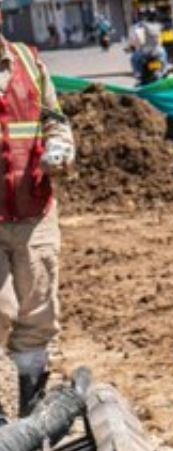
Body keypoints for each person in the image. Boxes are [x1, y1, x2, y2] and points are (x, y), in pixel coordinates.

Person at [0, 9, 74, 417]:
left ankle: (31, 408)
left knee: (38, 311)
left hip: (34, 211)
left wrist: (61, 144)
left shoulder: (29, 61)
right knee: (0, 309)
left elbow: (53, 119)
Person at [127, 11, 167, 81]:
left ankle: (138, 74)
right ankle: (164, 71)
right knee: (164, 55)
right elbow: (160, 39)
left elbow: (135, 40)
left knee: (133, 58)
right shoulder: (158, 26)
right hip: (158, 50)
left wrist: (131, 46)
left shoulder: (139, 26)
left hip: (145, 52)